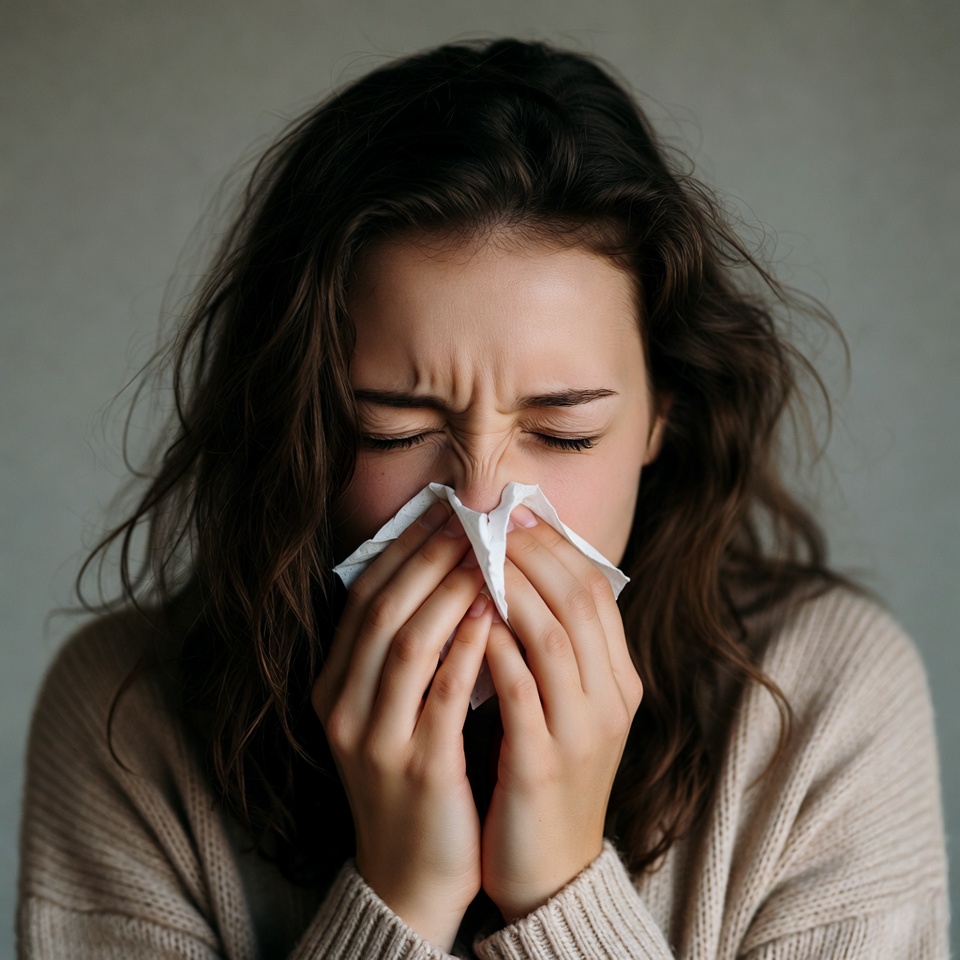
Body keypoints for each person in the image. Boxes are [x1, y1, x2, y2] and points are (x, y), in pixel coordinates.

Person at [18, 38, 947, 959]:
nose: (483, 509)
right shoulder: (127, 716)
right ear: (301, 425)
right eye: (394, 431)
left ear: (663, 415)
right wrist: (399, 894)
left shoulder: (823, 702)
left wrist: (560, 888)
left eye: (564, 432)